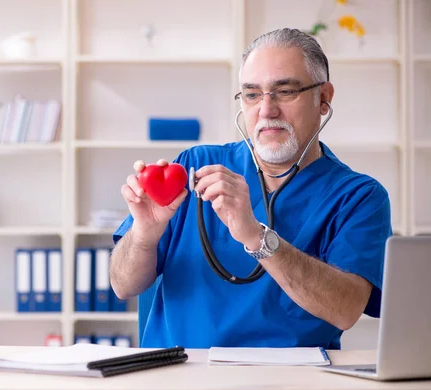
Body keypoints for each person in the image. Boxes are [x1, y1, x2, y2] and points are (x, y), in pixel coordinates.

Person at [109, 28, 393, 350]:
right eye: (252, 94)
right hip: (181, 376)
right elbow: (122, 285)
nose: (266, 110)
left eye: (285, 91)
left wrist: (256, 237)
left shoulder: (358, 198)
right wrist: (145, 234)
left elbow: (346, 310)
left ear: (324, 98)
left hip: (289, 384)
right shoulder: (195, 167)